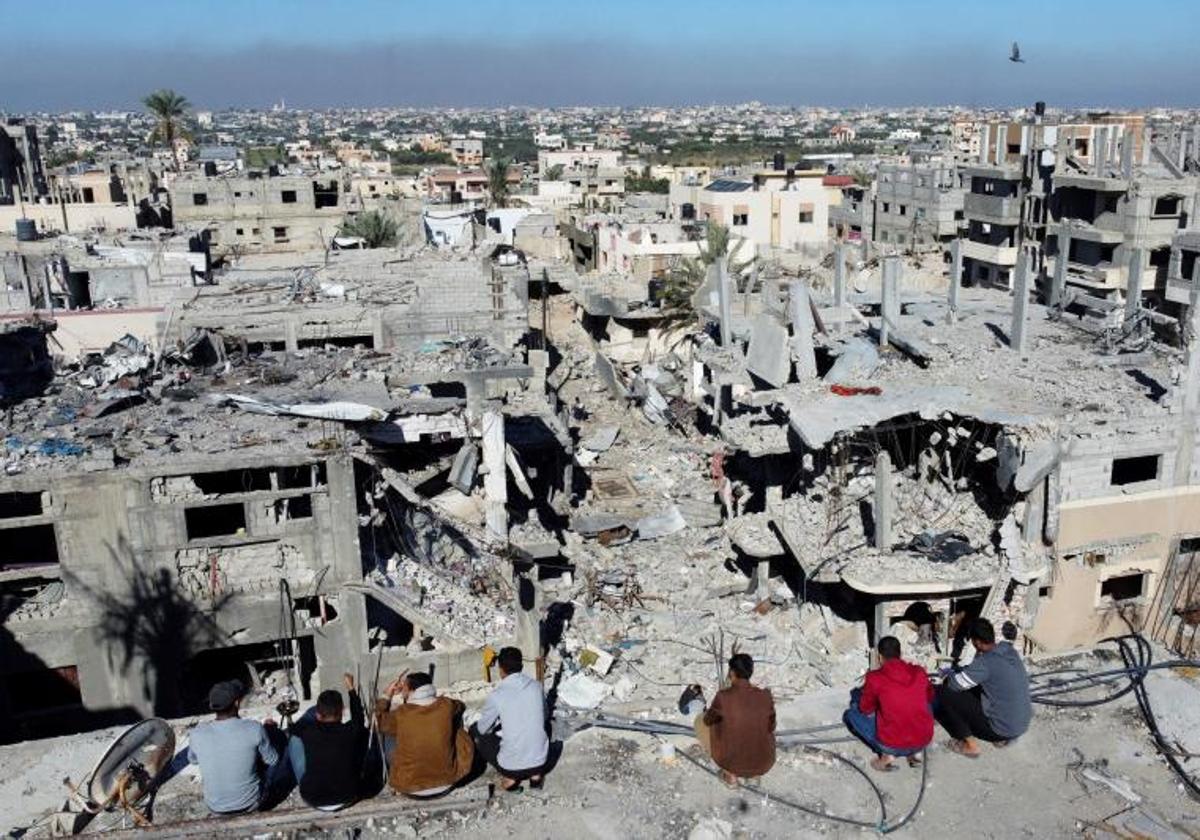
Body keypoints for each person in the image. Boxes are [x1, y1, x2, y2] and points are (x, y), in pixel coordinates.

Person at [935, 617, 1032, 758]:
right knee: (977, 688)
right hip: (1021, 724)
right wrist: (966, 670)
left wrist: (948, 677)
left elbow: (954, 685)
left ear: (977, 642)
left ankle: (970, 746)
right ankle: (1003, 738)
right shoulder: (1008, 650)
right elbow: (982, 672)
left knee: (944, 692)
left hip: (1000, 729)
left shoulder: (985, 663)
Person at [187, 679, 286, 814]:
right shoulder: (254, 728)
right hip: (251, 804)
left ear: (212, 705)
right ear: (237, 703)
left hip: (215, 808)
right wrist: (270, 732)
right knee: (278, 739)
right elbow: (272, 760)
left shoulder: (197, 733)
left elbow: (193, 760)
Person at [375, 672, 475, 798]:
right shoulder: (446, 705)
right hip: (448, 780)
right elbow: (460, 706)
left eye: (404, 687)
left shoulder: (401, 714)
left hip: (409, 786)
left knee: (387, 735)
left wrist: (387, 694)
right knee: (455, 727)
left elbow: (377, 721)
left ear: (411, 690)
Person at [843, 636, 934, 771]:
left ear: (879, 657)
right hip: (924, 740)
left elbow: (865, 708)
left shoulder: (875, 678)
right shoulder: (919, 672)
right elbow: (930, 696)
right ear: (900, 654)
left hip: (891, 744)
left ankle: (887, 756)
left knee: (851, 714)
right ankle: (914, 753)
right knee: (921, 701)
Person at [471, 647, 549, 790]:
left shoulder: (497, 695)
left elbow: (483, 729)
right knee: (543, 727)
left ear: (501, 669)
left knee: (476, 733)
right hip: (540, 761)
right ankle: (535, 777)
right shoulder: (537, 686)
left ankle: (511, 779)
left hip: (511, 767)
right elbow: (544, 716)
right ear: (522, 666)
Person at [694, 653, 776, 786]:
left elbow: (707, 721)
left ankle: (730, 775)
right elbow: (772, 727)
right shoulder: (766, 696)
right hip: (764, 763)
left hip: (731, 763)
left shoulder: (723, 697)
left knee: (700, 721)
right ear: (751, 672)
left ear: (732, 672)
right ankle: (754, 776)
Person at [287, 673, 366, 810]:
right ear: (342, 712)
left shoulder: (308, 731)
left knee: (294, 741)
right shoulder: (351, 730)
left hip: (313, 797)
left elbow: (292, 729)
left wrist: (287, 717)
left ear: (318, 715)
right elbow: (358, 716)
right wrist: (351, 688)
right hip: (348, 795)